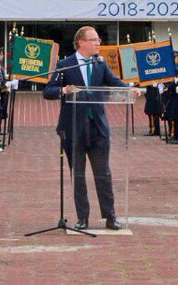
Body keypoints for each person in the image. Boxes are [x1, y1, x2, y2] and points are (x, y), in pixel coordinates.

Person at [43, 26, 136, 231]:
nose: (98, 43)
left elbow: (114, 83)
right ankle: (82, 217)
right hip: (74, 128)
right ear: (81, 42)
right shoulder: (65, 65)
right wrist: (63, 90)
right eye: (93, 40)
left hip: (98, 128)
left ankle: (110, 216)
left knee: (103, 173)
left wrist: (130, 89)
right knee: (78, 175)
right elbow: (48, 91)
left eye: (98, 40)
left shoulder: (100, 64)